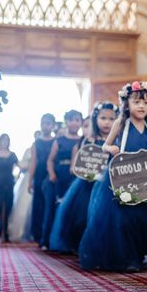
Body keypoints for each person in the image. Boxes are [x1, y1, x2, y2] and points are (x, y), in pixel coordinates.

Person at [79, 81, 147, 272]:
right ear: (127, 104)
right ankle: (126, 257)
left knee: (142, 217)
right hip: (123, 177)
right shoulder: (121, 123)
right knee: (124, 218)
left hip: (144, 178)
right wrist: (110, 148)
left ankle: (140, 252)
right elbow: (105, 144)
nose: (142, 106)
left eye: (145, 103)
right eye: (137, 102)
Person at [50, 102, 118, 253]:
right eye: (103, 118)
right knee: (82, 215)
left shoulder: (117, 140)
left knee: (107, 217)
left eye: (111, 119)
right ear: (96, 118)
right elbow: (76, 164)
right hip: (88, 184)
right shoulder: (88, 140)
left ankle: (104, 248)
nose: (107, 122)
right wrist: (83, 170)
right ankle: (81, 246)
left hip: (110, 185)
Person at [40, 110, 82, 248]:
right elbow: (50, 160)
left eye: (77, 120)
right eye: (71, 120)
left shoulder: (83, 140)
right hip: (57, 177)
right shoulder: (59, 140)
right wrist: (52, 174)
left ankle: (68, 242)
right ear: (66, 122)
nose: (74, 123)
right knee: (51, 209)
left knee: (72, 209)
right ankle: (47, 240)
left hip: (75, 178)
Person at [28, 114, 55, 244]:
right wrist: (30, 181)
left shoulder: (56, 141)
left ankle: (48, 234)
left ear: (53, 125)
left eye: (48, 123)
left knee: (49, 205)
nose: (45, 126)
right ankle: (37, 234)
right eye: (43, 123)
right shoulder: (36, 143)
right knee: (38, 205)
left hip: (51, 174)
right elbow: (33, 162)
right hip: (39, 175)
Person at [8, 132, 38, 242]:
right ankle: (19, 233)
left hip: (39, 177)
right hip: (28, 177)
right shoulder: (29, 150)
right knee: (23, 205)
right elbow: (23, 165)